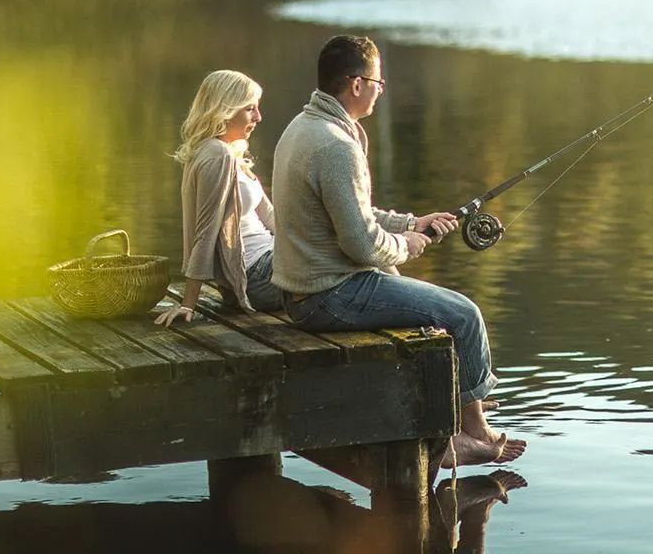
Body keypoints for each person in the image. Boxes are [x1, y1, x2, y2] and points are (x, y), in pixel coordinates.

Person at [271, 34, 526, 467]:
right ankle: (473, 433)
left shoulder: (303, 127)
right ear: (356, 84)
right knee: (464, 315)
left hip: (303, 293)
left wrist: (411, 223)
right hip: (327, 297)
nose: (380, 90)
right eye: (378, 82)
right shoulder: (336, 146)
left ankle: (462, 405)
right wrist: (405, 246)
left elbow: (352, 213)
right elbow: (361, 244)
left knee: (430, 306)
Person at [156, 70, 286, 327]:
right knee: (345, 256)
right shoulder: (217, 155)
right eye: (250, 109)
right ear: (225, 109)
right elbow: (205, 232)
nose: (258, 117)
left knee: (342, 248)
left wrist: (306, 242)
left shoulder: (230, 152)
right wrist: (188, 303)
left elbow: (269, 216)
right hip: (256, 275)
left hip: (269, 261)